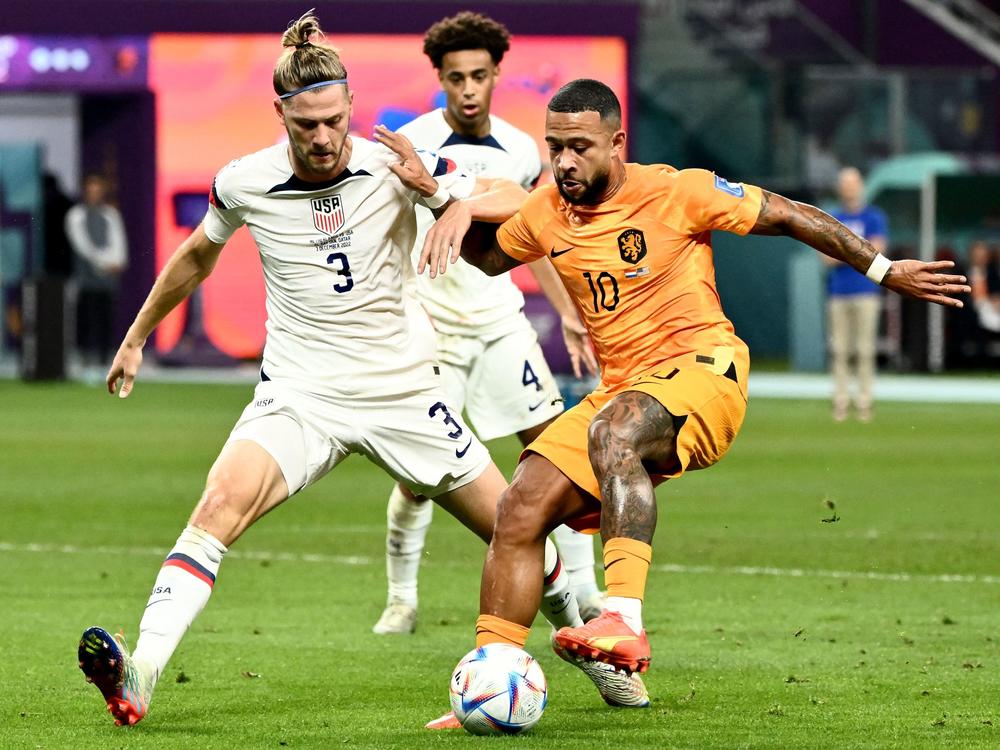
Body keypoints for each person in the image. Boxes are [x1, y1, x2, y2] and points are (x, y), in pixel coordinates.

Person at [76, 16, 621, 728]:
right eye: (308, 126)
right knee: (214, 510)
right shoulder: (245, 181)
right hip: (301, 396)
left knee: (517, 530)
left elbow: (522, 200)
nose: (325, 138)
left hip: (403, 394)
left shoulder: (393, 165)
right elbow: (196, 256)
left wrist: (437, 193)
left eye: (335, 120)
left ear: (351, 107)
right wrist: (137, 336)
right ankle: (142, 672)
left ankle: (584, 642)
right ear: (281, 116)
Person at [419, 78, 968, 677]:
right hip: (622, 390)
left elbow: (788, 215)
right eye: (555, 147)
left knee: (613, 429)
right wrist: (440, 200)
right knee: (518, 507)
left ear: (617, 142)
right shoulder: (547, 210)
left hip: (705, 370)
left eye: (579, 146)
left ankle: (622, 618)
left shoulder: (679, 190)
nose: (565, 161)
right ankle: (496, 676)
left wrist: (884, 270)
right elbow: (493, 257)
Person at [373, 11, 605, 642]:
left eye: (479, 75)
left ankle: (585, 591)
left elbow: (537, 235)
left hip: (500, 323)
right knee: (419, 480)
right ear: (440, 79)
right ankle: (400, 599)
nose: (469, 88)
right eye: (457, 78)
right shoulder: (412, 143)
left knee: (557, 454)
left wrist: (566, 313)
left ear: (497, 74)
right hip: (433, 331)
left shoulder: (523, 149)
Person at [822, 167, 889, 422]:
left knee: (865, 350)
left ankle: (864, 401)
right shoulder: (833, 218)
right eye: (845, 183)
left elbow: (877, 252)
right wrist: (858, 252)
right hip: (838, 293)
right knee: (840, 350)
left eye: (853, 183)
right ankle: (840, 401)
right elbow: (826, 258)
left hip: (865, 291)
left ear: (861, 186)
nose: (849, 188)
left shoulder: (874, 216)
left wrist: (843, 250)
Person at [65, 173, 129, 365]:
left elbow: (119, 242)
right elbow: (83, 246)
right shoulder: (76, 215)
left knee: (105, 319)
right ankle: (84, 359)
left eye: (98, 189)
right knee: (85, 319)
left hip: (107, 279)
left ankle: (104, 360)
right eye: (91, 189)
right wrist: (105, 264)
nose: (94, 193)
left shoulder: (111, 214)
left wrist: (118, 261)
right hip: (86, 278)